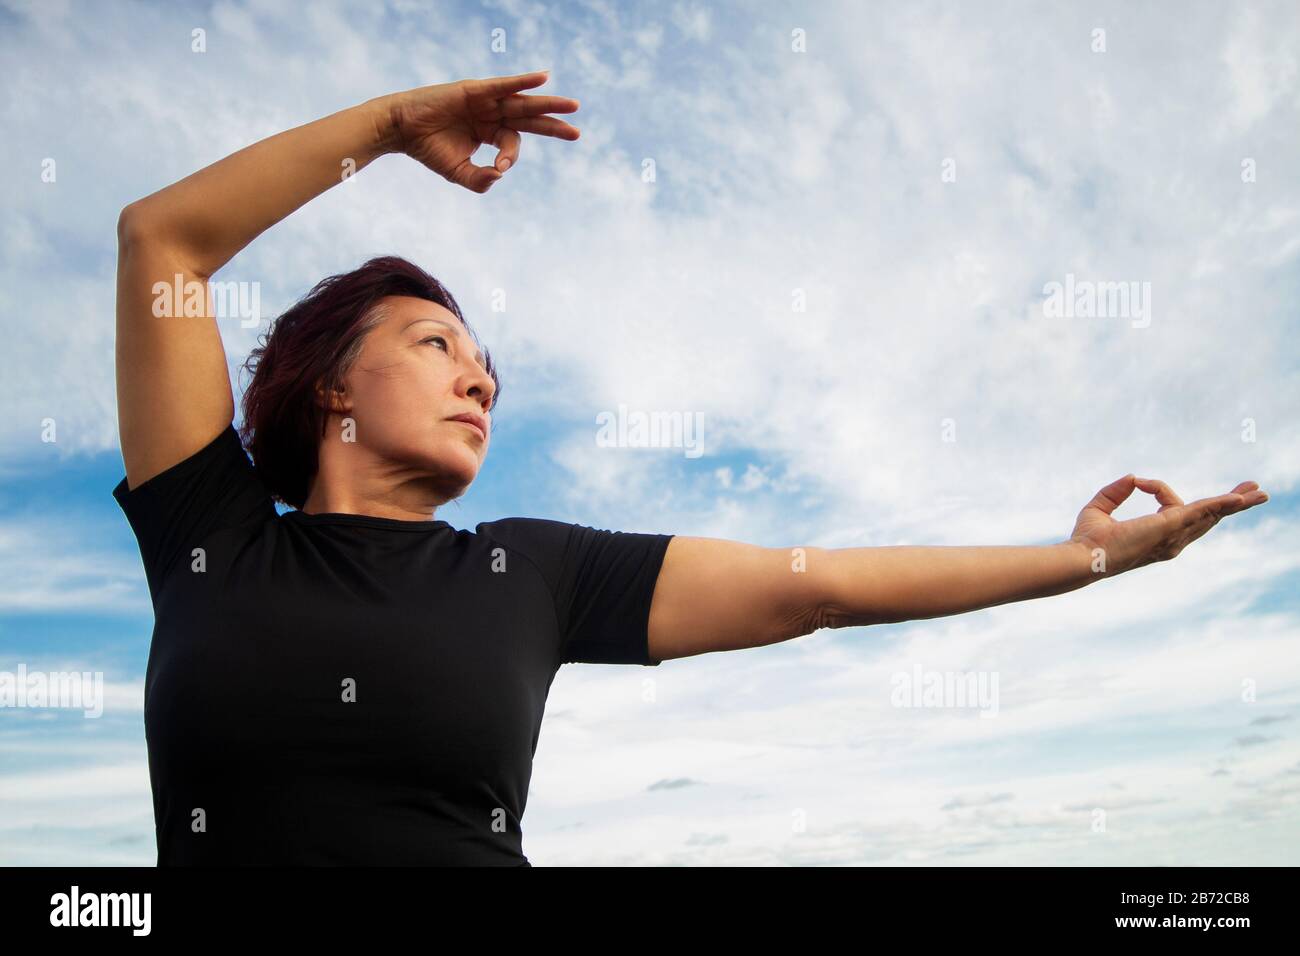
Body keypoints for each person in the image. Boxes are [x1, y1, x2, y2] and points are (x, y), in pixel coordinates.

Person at [112, 70, 1269, 866]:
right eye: (435, 346)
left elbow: (815, 584)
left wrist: (1080, 560)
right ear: (329, 382)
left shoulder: (531, 570)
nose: (481, 382)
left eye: (488, 366)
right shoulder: (213, 529)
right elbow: (165, 236)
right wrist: (400, 117)